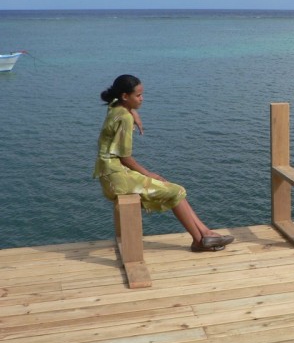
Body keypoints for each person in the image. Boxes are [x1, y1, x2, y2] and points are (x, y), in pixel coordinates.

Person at [93, 74, 234, 252]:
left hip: (109, 173)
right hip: (117, 177)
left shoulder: (115, 108)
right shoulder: (124, 118)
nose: (142, 99)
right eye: (138, 95)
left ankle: (205, 234)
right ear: (125, 96)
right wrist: (148, 173)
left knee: (175, 189)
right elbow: (125, 157)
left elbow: (116, 104)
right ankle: (199, 241)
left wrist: (133, 111)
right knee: (174, 191)